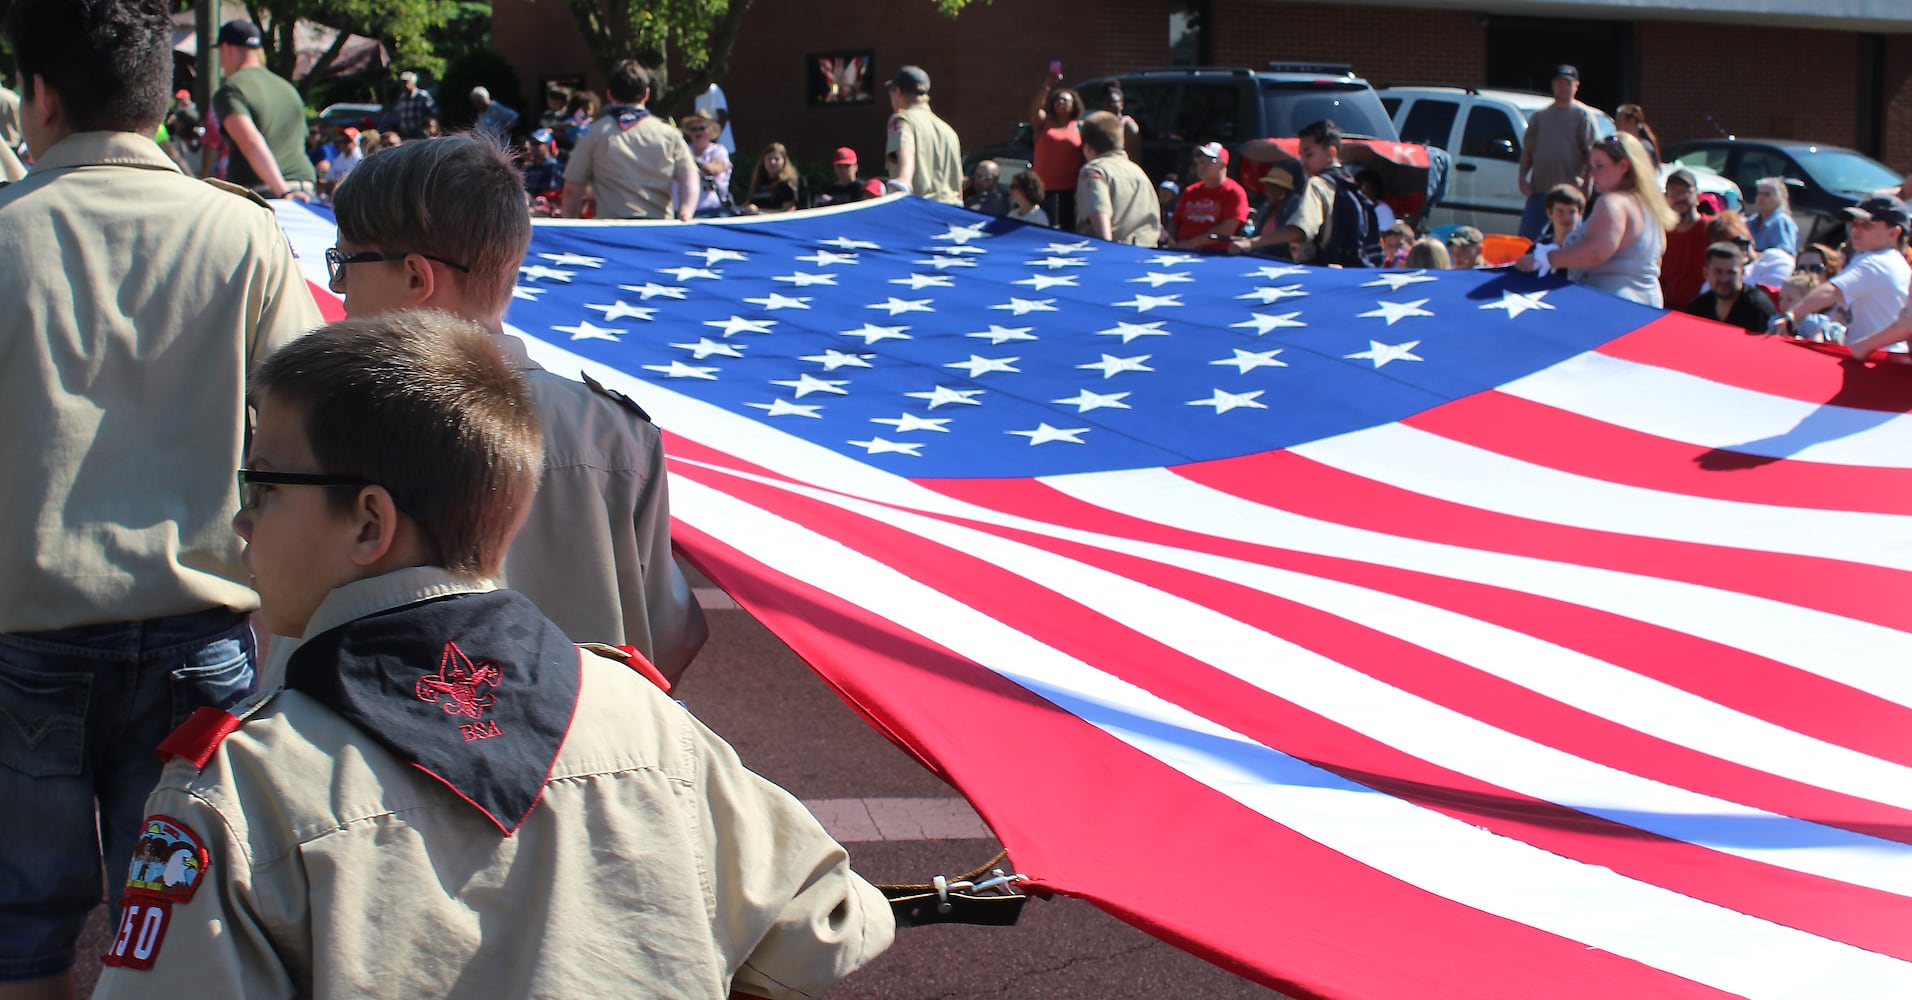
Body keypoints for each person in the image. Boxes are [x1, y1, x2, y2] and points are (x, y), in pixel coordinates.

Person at [90, 310, 891, 997]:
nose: (243, 520)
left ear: (369, 522)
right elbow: (827, 925)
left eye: (262, 485)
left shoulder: (241, 786)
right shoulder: (647, 721)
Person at [0, 0, 322, 994]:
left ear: (38, 98)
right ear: (172, 101)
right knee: (198, 934)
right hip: (199, 630)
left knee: (25, 933)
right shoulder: (244, 235)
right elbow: (308, 431)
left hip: (26, 635)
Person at [328, 134, 708, 679]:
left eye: (347, 263)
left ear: (415, 276)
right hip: (593, 748)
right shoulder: (616, 433)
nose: (339, 286)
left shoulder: (347, 425)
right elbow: (671, 636)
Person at [1517, 133, 1675, 307]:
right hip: (1648, 303)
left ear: (1623, 166)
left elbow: (1596, 251)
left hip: (1612, 304)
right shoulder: (1651, 206)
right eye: (1592, 166)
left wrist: (1545, 258)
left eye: (1600, 166)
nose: (1593, 174)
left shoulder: (1612, 202)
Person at [1770, 195, 1912, 359]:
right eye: (1854, 223)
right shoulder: (1893, 261)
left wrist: (1793, 314)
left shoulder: (1875, 262)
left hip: (1875, 362)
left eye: (1866, 225)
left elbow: (1832, 291)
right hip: (1886, 359)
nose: (1855, 230)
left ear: (1893, 232)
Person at [562, 60, 697, 221]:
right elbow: (689, 177)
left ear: (609, 94)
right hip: (659, 230)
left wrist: (569, 222)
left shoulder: (594, 133)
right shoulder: (669, 134)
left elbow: (572, 188)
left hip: (612, 232)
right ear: (646, 94)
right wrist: (686, 211)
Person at [211, 18, 315, 200]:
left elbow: (249, 141)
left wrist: (283, 191)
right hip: (305, 187)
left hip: (266, 192)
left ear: (226, 48)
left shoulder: (231, 89)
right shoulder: (287, 88)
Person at [1229, 118, 1341, 263]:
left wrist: (1252, 243)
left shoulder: (1317, 184)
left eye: (1309, 154)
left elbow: (1300, 230)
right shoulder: (1349, 181)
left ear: (1331, 152)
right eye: (1301, 155)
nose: (1303, 162)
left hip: (1322, 269)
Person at [1516, 65, 1598, 242]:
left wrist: (1587, 185)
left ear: (1576, 86)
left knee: (1568, 243)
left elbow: (1592, 155)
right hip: (1540, 192)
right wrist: (1522, 179)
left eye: (1568, 83)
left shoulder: (1583, 116)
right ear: (1553, 85)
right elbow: (1528, 151)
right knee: (1528, 242)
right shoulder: (1540, 116)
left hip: (1569, 196)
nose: (1564, 87)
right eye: (1560, 83)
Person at [1073, 109, 1160, 246]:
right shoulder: (1138, 172)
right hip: (1146, 255)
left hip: (1112, 256)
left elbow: (1099, 212)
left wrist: (1108, 248)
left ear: (1088, 148)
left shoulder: (1094, 171)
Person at [884, 65, 961, 204]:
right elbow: (958, 185)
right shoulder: (948, 131)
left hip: (921, 209)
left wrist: (904, 178)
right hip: (952, 211)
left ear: (897, 92)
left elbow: (905, 151)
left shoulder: (902, 119)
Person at [1167, 141, 1249, 252]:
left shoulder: (1233, 192)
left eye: (1209, 161)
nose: (1201, 166)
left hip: (1214, 254)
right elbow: (1175, 221)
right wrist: (1170, 240)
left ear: (1223, 164)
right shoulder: (1190, 191)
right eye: (1200, 161)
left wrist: (1190, 244)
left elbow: (1227, 229)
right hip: (1181, 251)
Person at [1028, 77, 1085, 226]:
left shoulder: (1080, 126)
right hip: (1044, 188)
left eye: (1065, 100)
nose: (1061, 102)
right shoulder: (1044, 123)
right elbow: (1035, 110)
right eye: (1058, 100)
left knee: (1068, 227)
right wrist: (1046, 86)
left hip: (1070, 188)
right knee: (1044, 226)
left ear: (1074, 106)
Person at [1683, 242, 1776, 332]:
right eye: (1718, 272)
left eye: (1731, 273)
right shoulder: (1698, 307)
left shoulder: (1758, 309)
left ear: (1742, 273)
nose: (1724, 279)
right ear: (1706, 273)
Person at [1659, 168, 1711, 308]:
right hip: (1667, 307)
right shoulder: (1661, 231)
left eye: (1685, 191)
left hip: (1702, 308)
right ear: (1666, 198)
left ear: (1698, 197)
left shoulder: (1712, 229)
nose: (1680, 197)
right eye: (1674, 192)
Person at [678, 113, 733, 217]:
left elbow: (714, 169)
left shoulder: (718, 150)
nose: (698, 132)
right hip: (683, 211)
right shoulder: (683, 150)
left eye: (702, 128)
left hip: (712, 210)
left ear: (710, 131)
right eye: (694, 129)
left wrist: (691, 159)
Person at [1775, 272, 1845, 343]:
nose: (1783, 303)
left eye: (1790, 299)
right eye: (1781, 298)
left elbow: (1817, 342)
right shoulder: (1778, 319)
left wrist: (1801, 341)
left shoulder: (1810, 322)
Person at [741, 141, 808, 214]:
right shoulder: (760, 181)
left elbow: (788, 211)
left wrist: (759, 211)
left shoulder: (787, 183)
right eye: (769, 158)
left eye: (776, 159)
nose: (772, 162)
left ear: (784, 161)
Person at [1747, 177, 1800, 255]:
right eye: (1759, 193)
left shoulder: (1781, 221)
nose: (1761, 197)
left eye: (1767, 194)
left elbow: (1785, 254)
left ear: (1779, 198)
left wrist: (1756, 255)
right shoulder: (1751, 221)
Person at [385, 70, 437, 140]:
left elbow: (434, 113)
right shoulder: (402, 98)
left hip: (420, 135)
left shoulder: (422, 96)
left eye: (406, 82)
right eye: (402, 83)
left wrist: (429, 126)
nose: (403, 85)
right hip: (406, 136)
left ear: (413, 82)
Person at [694, 79, 735, 154]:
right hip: (706, 144)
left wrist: (713, 137)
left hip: (721, 144)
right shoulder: (698, 93)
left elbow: (723, 117)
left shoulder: (714, 90)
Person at [521, 128, 564, 199]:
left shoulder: (554, 166)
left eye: (537, 143)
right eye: (532, 143)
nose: (533, 147)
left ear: (547, 145)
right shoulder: (528, 168)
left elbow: (552, 193)